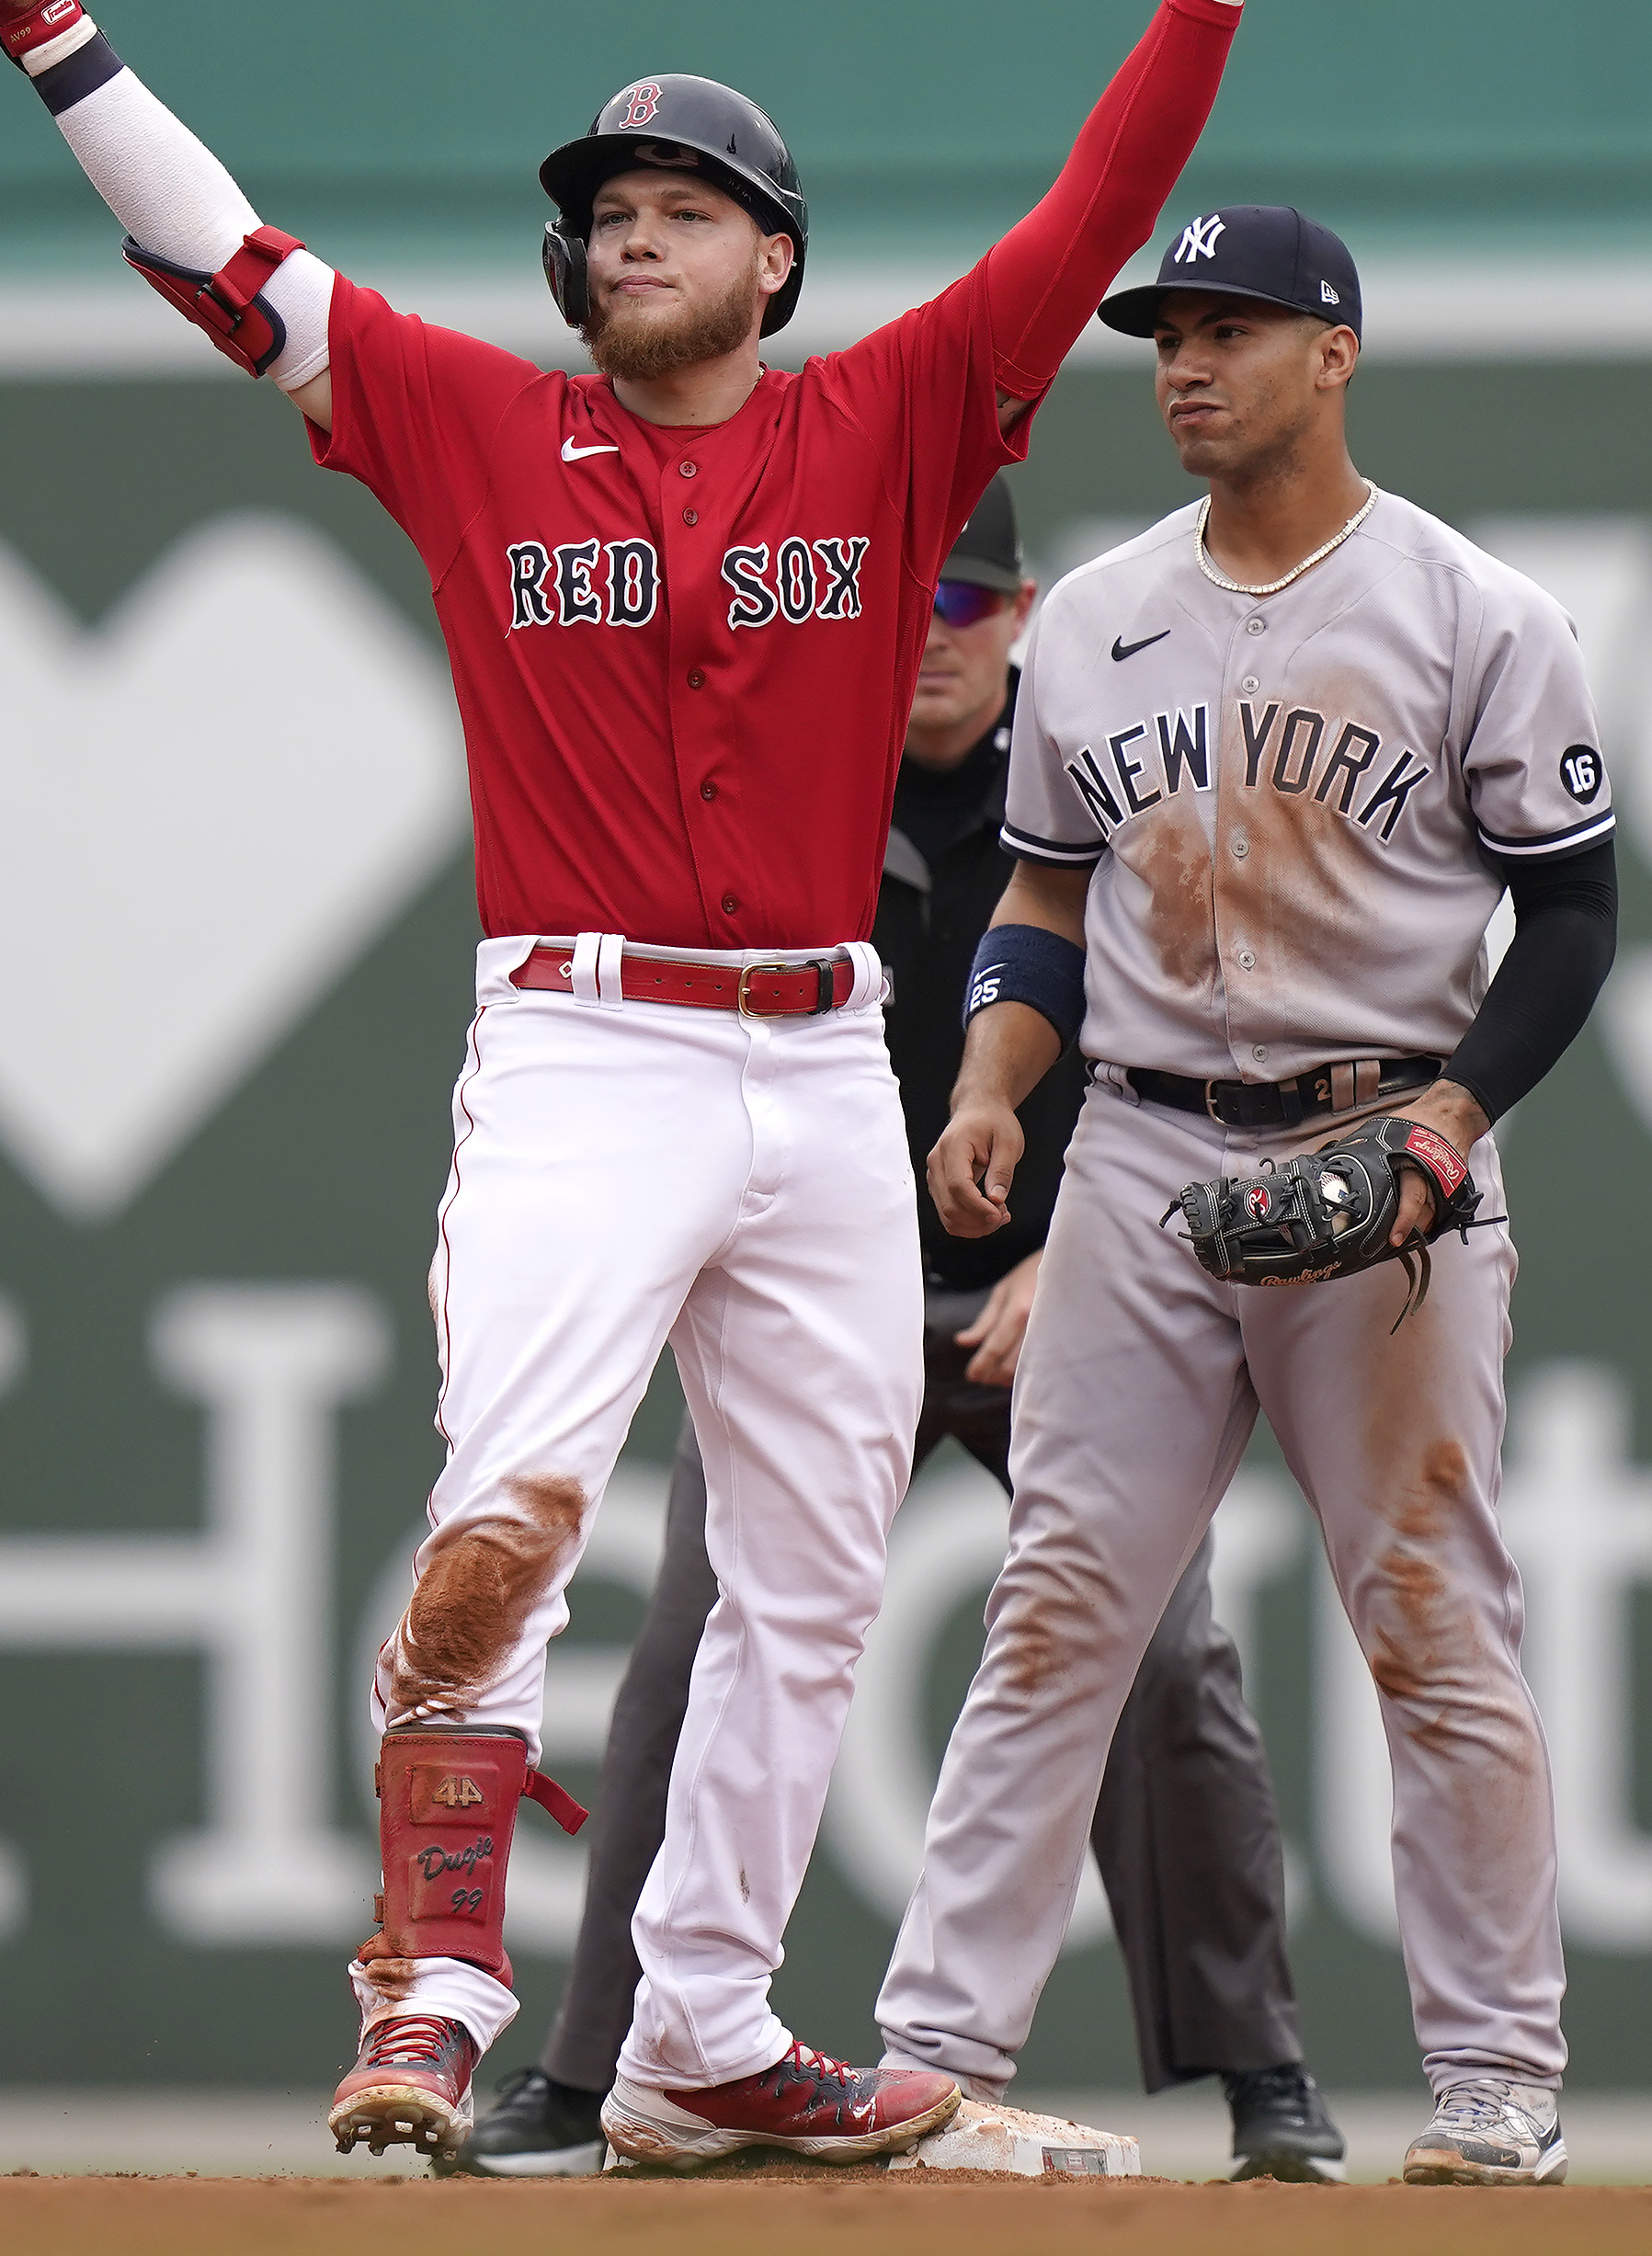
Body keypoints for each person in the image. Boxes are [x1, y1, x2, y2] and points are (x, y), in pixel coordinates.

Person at [0, 0, 1288, 2172]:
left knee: (806, 1567)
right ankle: (435, 1990)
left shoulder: (889, 423)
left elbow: (1092, 228)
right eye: (610, 207)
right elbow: (237, 272)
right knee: (514, 1506)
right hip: (587, 1050)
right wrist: (62, 55)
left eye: (686, 204)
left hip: (820, 1069)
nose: (633, 231)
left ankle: (700, 2036)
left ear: (778, 257)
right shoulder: (474, 426)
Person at [459, 480, 1348, 2183]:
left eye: (967, 610)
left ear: (1018, 622)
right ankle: (591, 2073)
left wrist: (1089, 1251)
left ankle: (1263, 2078)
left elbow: (1202, 1055)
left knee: (1165, 1659)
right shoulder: (788, 785)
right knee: (687, 1643)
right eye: (908, 608)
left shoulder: (1111, 783)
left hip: (1058, 1294)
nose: (933, 643)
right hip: (819, 1293)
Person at [871, 206, 1620, 2186]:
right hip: (1138, 1141)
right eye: (1167, 332)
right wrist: (990, 1084)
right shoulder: (1104, 613)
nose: (1186, 361)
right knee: (1060, 1597)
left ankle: (1492, 2079)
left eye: (1232, 327)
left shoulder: (1474, 613)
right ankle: (935, 2050)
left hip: (1382, 1144)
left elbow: (1571, 911)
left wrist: (1460, 1116)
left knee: (1428, 1601)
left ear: (1335, 352)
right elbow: (1042, 891)